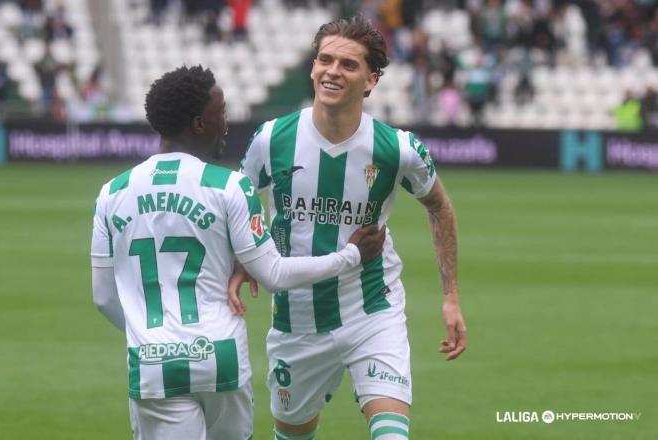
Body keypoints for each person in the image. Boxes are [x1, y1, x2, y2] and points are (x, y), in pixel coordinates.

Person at [90, 65, 386, 440]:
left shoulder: (111, 193)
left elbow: (103, 297)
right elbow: (273, 274)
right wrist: (351, 256)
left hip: (154, 363)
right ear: (199, 123)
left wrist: (151, 333)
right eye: (221, 112)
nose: (226, 123)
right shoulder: (229, 186)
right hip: (221, 358)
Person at [235, 15, 467, 440]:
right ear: (312, 67)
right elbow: (238, 205)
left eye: (348, 65)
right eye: (325, 60)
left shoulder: (398, 149)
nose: (332, 71)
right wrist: (239, 263)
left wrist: (450, 297)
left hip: (372, 309)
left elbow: (440, 207)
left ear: (371, 80)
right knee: (292, 434)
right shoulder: (271, 140)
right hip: (297, 317)